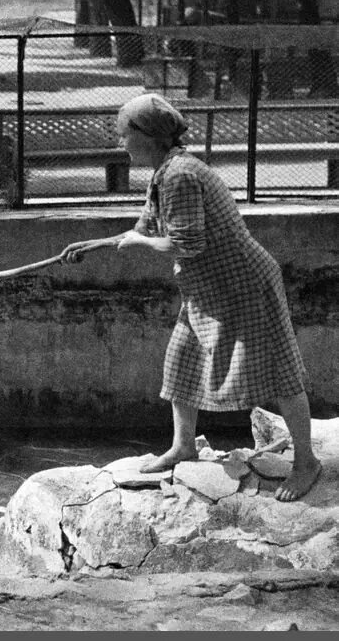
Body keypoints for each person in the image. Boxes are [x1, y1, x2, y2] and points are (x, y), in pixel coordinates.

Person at [60, 93, 321, 502]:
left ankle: (306, 462)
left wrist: (139, 244)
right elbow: (143, 228)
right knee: (181, 360)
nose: (121, 144)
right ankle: (184, 445)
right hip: (208, 288)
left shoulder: (181, 175)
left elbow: (188, 242)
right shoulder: (165, 170)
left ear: (148, 136)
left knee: (280, 371)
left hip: (243, 283)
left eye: (124, 135)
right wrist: (87, 245)